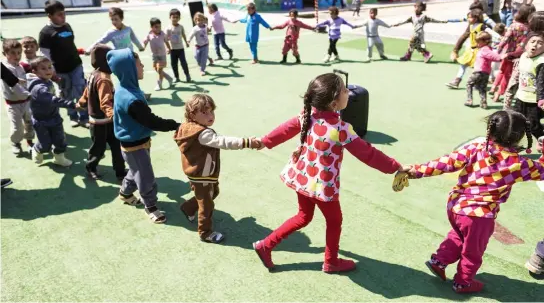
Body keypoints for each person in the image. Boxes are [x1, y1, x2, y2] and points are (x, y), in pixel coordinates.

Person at [252, 73, 409, 272]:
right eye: (345, 90)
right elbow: (368, 154)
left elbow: (285, 129)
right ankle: (331, 262)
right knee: (334, 221)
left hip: (302, 178)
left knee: (303, 216)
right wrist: (395, 166)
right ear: (334, 103)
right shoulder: (340, 129)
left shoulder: (307, 115)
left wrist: (265, 141)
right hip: (321, 186)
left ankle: (266, 245)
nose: (348, 93)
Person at [401, 110, 544, 294]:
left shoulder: (476, 148)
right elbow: (541, 170)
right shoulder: (519, 164)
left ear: (490, 130)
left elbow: (445, 163)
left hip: (456, 206)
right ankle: (463, 282)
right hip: (479, 216)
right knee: (473, 250)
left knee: (458, 234)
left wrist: (415, 170)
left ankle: (439, 260)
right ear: (521, 136)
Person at [174, 94, 261, 243]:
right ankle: (205, 232)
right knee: (206, 204)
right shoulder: (202, 133)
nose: (211, 116)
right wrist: (247, 142)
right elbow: (222, 141)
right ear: (192, 114)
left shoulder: (187, 127)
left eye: (212, 111)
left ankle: (188, 208)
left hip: (198, 172)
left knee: (212, 193)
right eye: (205, 112)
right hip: (202, 174)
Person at [107, 48, 179, 223]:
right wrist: (176, 125)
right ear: (130, 69)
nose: (142, 66)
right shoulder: (131, 99)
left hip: (136, 141)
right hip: (134, 143)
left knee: (136, 170)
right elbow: (152, 121)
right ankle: (151, 206)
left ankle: (125, 193)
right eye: (139, 64)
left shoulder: (125, 87)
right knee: (145, 176)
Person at [77, 45, 126, 181]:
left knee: (116, 147)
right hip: (101, 122)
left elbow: (87, 91)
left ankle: (120, 172)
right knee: (99, 148)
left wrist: (81, 102)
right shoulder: (104, 79)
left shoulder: (94, 74)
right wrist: (114, 116)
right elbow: (105, 102)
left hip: (101, 120)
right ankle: (91, 167)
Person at [38, 0, 89, 128]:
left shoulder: (67, 26)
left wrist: (80, 51)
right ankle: (73, 116)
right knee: (66, 93)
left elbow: (70, 45)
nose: (63, 16)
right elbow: (45, 55)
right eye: (59, 14)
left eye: (64, 13)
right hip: (60, 70)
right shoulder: (45, 33)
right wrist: (52, 73)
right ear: (50, 16)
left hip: (76, 65)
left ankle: (84, 116)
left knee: (80, 90)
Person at [27, 57, 75, 167]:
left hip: (54, 117)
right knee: (45, 144)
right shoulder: (39, 88)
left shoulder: (47, 81)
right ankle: (37, 149)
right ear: (35, 72)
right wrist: (72, 105)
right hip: (41, 121)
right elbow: (53, 100)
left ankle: (59, 158)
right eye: (43, 69)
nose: (48, 70)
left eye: (49, 67)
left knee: (60, 140)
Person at [489, 4, 533, 102]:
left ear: (520, 13)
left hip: (507, 53)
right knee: (508, 76)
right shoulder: (529, 28)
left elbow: (506, 38)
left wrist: (499, 49)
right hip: (517, 56)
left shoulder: (514, 25)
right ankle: (498, 94)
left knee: (501, 71)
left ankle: (493, 87)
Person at [1, 39, 34, 154]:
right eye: (13, 53)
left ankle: (30, 142)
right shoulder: (6, 69)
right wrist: (30, 94)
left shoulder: (20, 66)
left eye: (19, 52)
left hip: (26, 102)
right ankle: (16, 143)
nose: (17, 56)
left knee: (30, 122)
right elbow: (14, 88)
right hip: (13, 105)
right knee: (17, 127)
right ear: (5, 54)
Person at [512, 32, 544, 144]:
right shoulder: (524, 56)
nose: (535, 45)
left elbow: (541, 83)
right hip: (521, 97)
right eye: (532, 42)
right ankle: (511, 145)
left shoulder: (541, 62)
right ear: (526, 44)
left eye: (540, 43)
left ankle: (542, 141)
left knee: (533, 126)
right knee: (515, 121)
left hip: (534, 101)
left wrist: (541, 99)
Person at [446, 8, 490, 89]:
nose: (468, 19)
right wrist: (455, 49)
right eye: (468, 17)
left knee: (477, 68)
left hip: (479, 51)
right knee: (463, 64)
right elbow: (464, 36)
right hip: (470, 50)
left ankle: (478, 82)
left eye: (470, 17)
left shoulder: (482, 26)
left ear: (476, 18)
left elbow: (489, 34)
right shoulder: (470, 26)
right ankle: (457, 80)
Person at [464, 32, 501, 109]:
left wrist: (501, 57)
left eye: (478, 42)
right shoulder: (487, 49)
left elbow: (496, 57)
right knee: (482, 88)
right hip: (486, 73)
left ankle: (469, 100)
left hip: (479, 72)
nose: (477, 44)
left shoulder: (485, 49)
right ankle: (483, 103)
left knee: (469, 84)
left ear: (485, 42)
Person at [142, 17, 173, 91]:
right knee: (156, 69)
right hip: (154, 55)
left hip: (162, 55)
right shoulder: (149, 34)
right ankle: (169, 78)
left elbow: (166, 41)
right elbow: (145, 42)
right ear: (151, 27)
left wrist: (169, 48)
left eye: (159, 26)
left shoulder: (163, 34)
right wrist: (143, 47)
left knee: (159, 70)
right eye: (156, 27)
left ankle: (159, 84)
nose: (158, 28)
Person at [167, 8, 191, 83]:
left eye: (177, 17)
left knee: (183, 63)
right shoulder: (168, 28)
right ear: (170, 17)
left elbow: (183, 34)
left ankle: (187, 75)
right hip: (173, 49)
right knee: (174, 64)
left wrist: (186, 42)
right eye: (173, 17)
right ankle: (176, 77)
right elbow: (166, 39)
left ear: (179, 18)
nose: (175, 19)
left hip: (180, 49)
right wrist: (167, 48)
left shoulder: (181, 27)